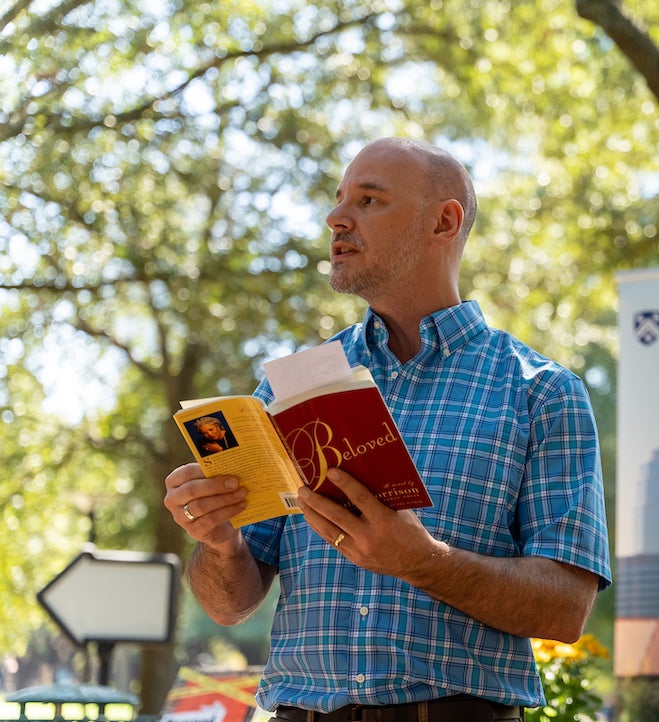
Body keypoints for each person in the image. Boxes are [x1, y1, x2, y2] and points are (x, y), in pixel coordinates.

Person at [164, 137, 611, 722]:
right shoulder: (289, 389)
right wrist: (219, 542)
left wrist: (422, 560)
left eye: (369, 199)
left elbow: (565, 611)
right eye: (340, 199)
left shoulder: (542, 393)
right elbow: (229, 604)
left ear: (444, 222)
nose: (336, 217)